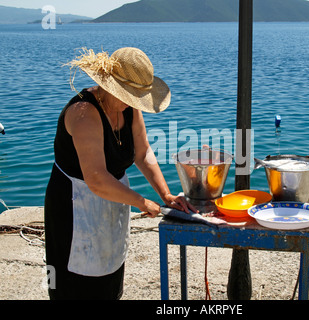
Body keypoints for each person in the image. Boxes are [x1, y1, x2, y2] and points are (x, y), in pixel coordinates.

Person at [44, 47, 197, 300]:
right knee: (75, 285)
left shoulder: (129, 106)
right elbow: (96, 178)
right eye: (131, 95)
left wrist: (165, 194)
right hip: (74, 206)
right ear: (110, 85)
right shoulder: (83, 114)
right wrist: (141, 201)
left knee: (109, 278)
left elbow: (143, 152)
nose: (135, 102)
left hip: (113, 200)